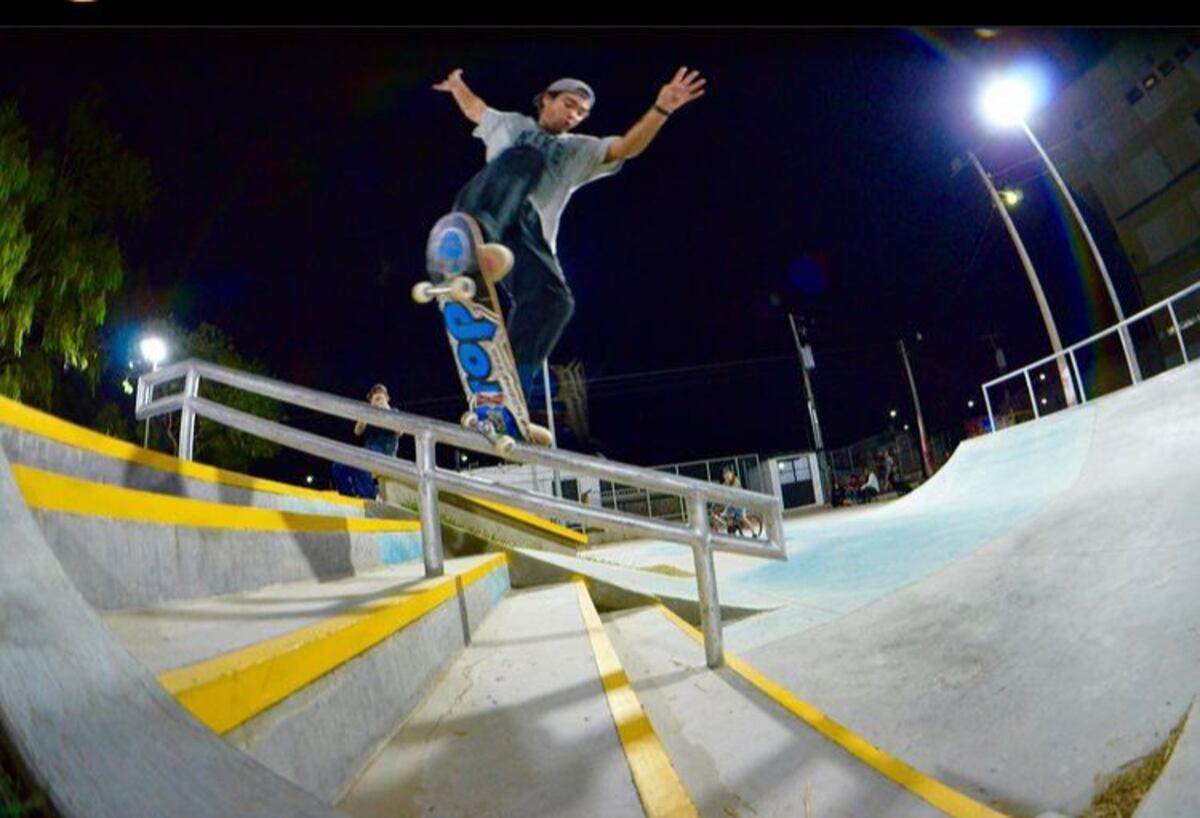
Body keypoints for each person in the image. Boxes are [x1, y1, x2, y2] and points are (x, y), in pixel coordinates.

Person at [433, 67, 706, 404]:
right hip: (482, 209)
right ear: (546, 99)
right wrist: (458, 85)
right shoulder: (510, 124)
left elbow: (625, 147)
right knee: (527, 155)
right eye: (569, 104)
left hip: (525, 239)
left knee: (555, 301)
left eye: (581, 112)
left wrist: (661, 109)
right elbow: (475, 109)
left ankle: (507, 391)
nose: (574, 115)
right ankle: (477, 240)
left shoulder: (580, 149)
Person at [331, 384, 400, 500]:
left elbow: (400, 431)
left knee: (363, 461)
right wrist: (366, 415)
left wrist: (386, 409)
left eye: (381, 398)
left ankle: (369, 497)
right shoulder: (368, 414)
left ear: (387, 398)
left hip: (385, 453)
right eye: (375, 398)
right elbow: (357, 431)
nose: (378, 401)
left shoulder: (394, 412)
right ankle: (348, 496)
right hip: (368, 451)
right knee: (339, 465)